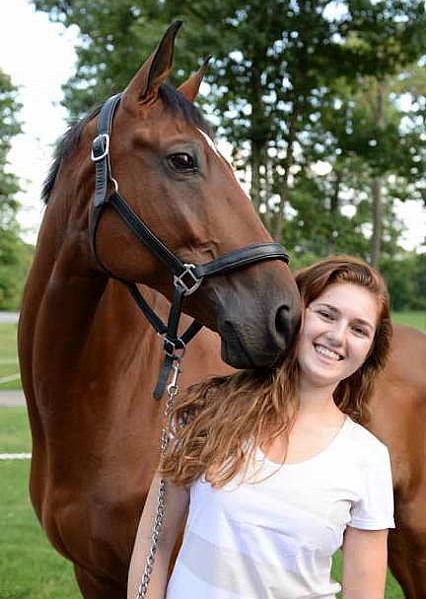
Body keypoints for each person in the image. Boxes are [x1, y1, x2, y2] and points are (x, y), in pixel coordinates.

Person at [127, 255, 395, 599]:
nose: (337, 336)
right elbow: (155, 544)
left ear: (370, 350)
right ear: (295, 314)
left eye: (359, 329)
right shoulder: (205, 411)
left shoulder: (368, 459)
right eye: (326, 314)